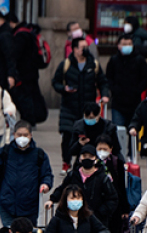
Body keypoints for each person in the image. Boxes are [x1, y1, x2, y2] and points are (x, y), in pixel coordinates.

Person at [52, 37, 109, 173]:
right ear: (75, 49)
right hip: (69, 107)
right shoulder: (66, 64)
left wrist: (105, 94)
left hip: (87, 109)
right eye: (82, 47)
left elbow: (102, 81)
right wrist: (64, 88)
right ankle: (66, 162)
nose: (85, 50)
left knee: (86, 137)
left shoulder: (93, 64)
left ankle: (83, 161)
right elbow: (55, 82)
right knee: (67, 135)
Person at [0, 122, 52, 230]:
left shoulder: (39, 154)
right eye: (19, 135)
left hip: (30, 206)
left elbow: (46, 174)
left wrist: (46, 184)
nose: (22, 138)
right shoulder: (4, 152)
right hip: (7, 204)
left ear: (30, 135)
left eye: (25, 135)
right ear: (14, 135)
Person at [106, 34, 147, 129]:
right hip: (118, 103)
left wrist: (137, 90)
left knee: (133, 131)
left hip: (134, 103)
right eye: (124, 44)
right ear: (119, 46)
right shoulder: (114, 60)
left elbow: (146, 78)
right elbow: (108, 77)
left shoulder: (139, 60)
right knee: (118, 132)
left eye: (129, 44)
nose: (127, 46)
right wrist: (114, 89)